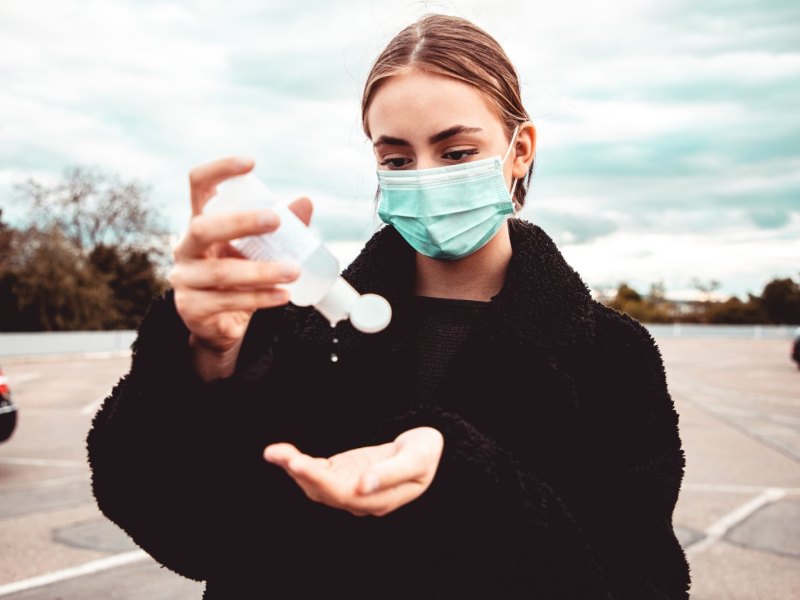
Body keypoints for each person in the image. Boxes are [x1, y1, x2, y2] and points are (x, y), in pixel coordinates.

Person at [87, 14, 692, 599]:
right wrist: (205, 362)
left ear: (520, 150)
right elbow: (187, 532)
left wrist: (461, 480)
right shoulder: (296, 335)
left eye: (455, 153)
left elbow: (637, 583)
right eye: (397, 159)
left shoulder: (612, 358)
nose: (423, 177)